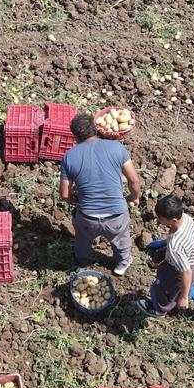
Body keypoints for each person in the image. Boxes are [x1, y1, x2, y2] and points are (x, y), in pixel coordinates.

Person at [59, 113, 141, 276]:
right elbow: (133, 180)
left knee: (82, 239)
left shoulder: (69, 157)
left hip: (88, 218)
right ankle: (121, 264)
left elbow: (64, 194)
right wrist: (134, 197)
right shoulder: (116, 147)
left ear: (74, 136)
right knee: (121, 240)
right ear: (96, 129)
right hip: (116, 216)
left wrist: (75, 200)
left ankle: (82, 261)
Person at [135, 195, 194, 319]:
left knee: (158, 288)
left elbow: (186, 272)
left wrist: (184, 298)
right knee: (190, 287)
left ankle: (158, 309)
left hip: (180, 272)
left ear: (173, 220)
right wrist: (164, 242)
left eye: (160, 218)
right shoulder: (186, 218)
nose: (158, 220)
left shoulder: (175, 247)